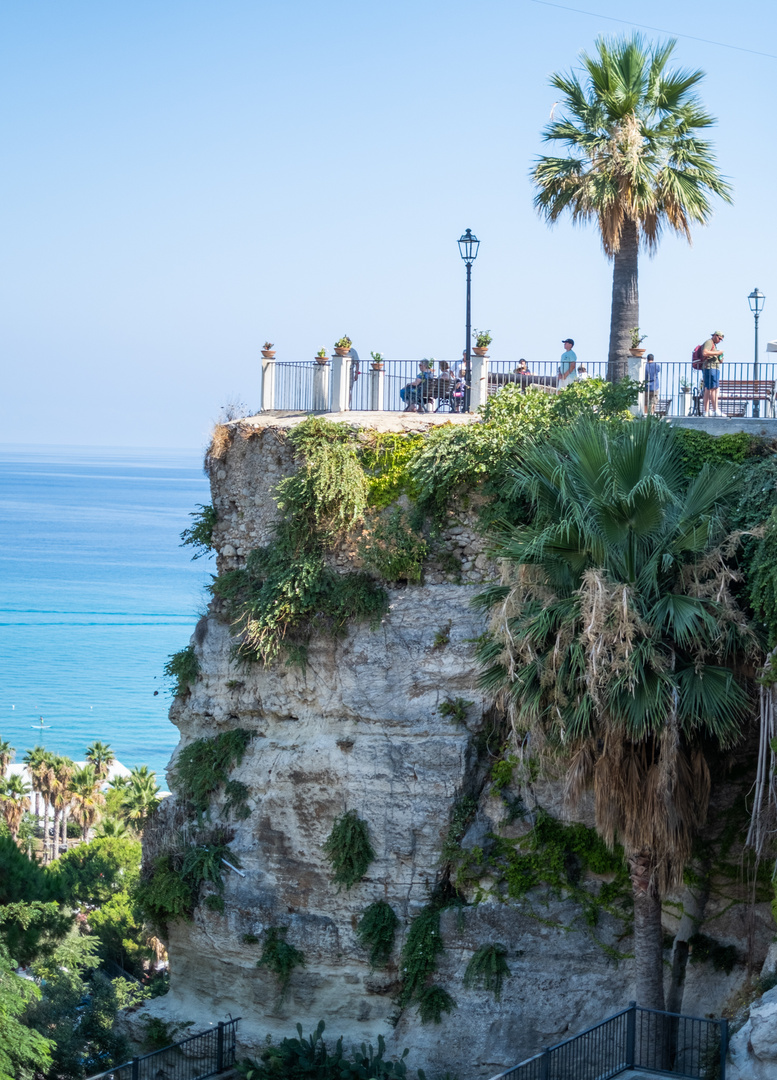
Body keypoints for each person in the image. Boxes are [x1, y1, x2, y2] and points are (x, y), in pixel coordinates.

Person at [701, 331, 725, 417]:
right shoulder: (709, 342)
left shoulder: (714, 345)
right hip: (711, 367)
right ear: (715, 336)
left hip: (712, 367)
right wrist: (718, 353)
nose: (719, 340)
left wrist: (720, 357)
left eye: (721, 340)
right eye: (719, 338)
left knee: (708, 389)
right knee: (713, 389)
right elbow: (705, 352)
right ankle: (715, 410)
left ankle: (706, 411)